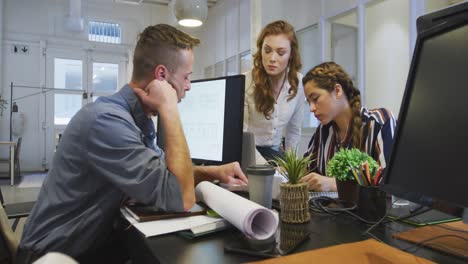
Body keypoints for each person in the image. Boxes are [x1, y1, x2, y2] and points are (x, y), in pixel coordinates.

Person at [17, 24, 248, 264]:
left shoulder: (135, 120)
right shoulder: (107, 123)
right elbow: (181, 197)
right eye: (186, 77)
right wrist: (169, 107)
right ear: (162, 76)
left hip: (90, 243)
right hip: (52, 254)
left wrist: (212, 172)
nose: (189, 85)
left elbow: (165, 175)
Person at [299, 62, 396, 191]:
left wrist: (335, 185)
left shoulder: (379, 122)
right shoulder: (324, 130)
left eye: (315, 99)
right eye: (309, 102)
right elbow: (308, 171)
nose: (311, 109)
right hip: (330, 210)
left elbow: (389, 185)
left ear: (337, 91)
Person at [244, 20, 306, 162]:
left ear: (291, 55)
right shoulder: (246, 82)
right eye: (267, 50)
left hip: (276, 154)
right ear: (261, 51)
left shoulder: (298, 83)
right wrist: (266, 169)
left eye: (281, 53)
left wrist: (290, 170)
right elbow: (241, 136)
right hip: (247, 153)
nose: (272, 58)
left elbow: (294, 133)